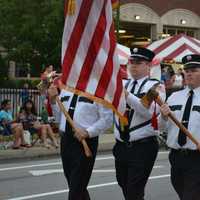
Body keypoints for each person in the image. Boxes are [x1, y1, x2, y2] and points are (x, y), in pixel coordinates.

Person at [113, 47, 166, 200]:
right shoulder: (123, 84)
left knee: (133, 190)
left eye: (138, 62)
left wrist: (127, 95)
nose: (133, 65)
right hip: (121, 145)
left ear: (148, 66)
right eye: (131, 62)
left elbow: (147, 110)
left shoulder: (156, 86)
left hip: (142, 147)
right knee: (124, 185)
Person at [48, 85, 112, 200]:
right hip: (67, 141)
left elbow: (107, 119)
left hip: (85, 142)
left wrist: (88, 132)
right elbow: (59, 118)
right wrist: (53, 101)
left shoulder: (99, 90)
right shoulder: (67, 88)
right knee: (75, 186)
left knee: (76, 188)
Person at [159, 54, 200, 200]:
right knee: (182, 193)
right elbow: (161, 127)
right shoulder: (174, 97)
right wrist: (163, 116)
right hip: (176, 156)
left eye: (194, 70)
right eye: (186, 70)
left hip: (197, 157)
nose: (188, 73)